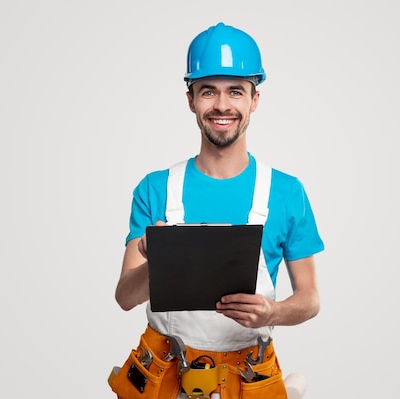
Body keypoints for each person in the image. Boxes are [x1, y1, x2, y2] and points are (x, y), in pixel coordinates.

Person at [109, 22, 324, 399]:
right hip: (166, 376)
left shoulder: (286, 192)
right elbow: (125, 297)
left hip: (247, 378)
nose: (222, 105)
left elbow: (310, 299)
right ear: (191, 99)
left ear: (254, 100)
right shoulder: (155, 189)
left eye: (235, 91)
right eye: (208, 91)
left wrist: (271, 314)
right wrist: (157, 261)